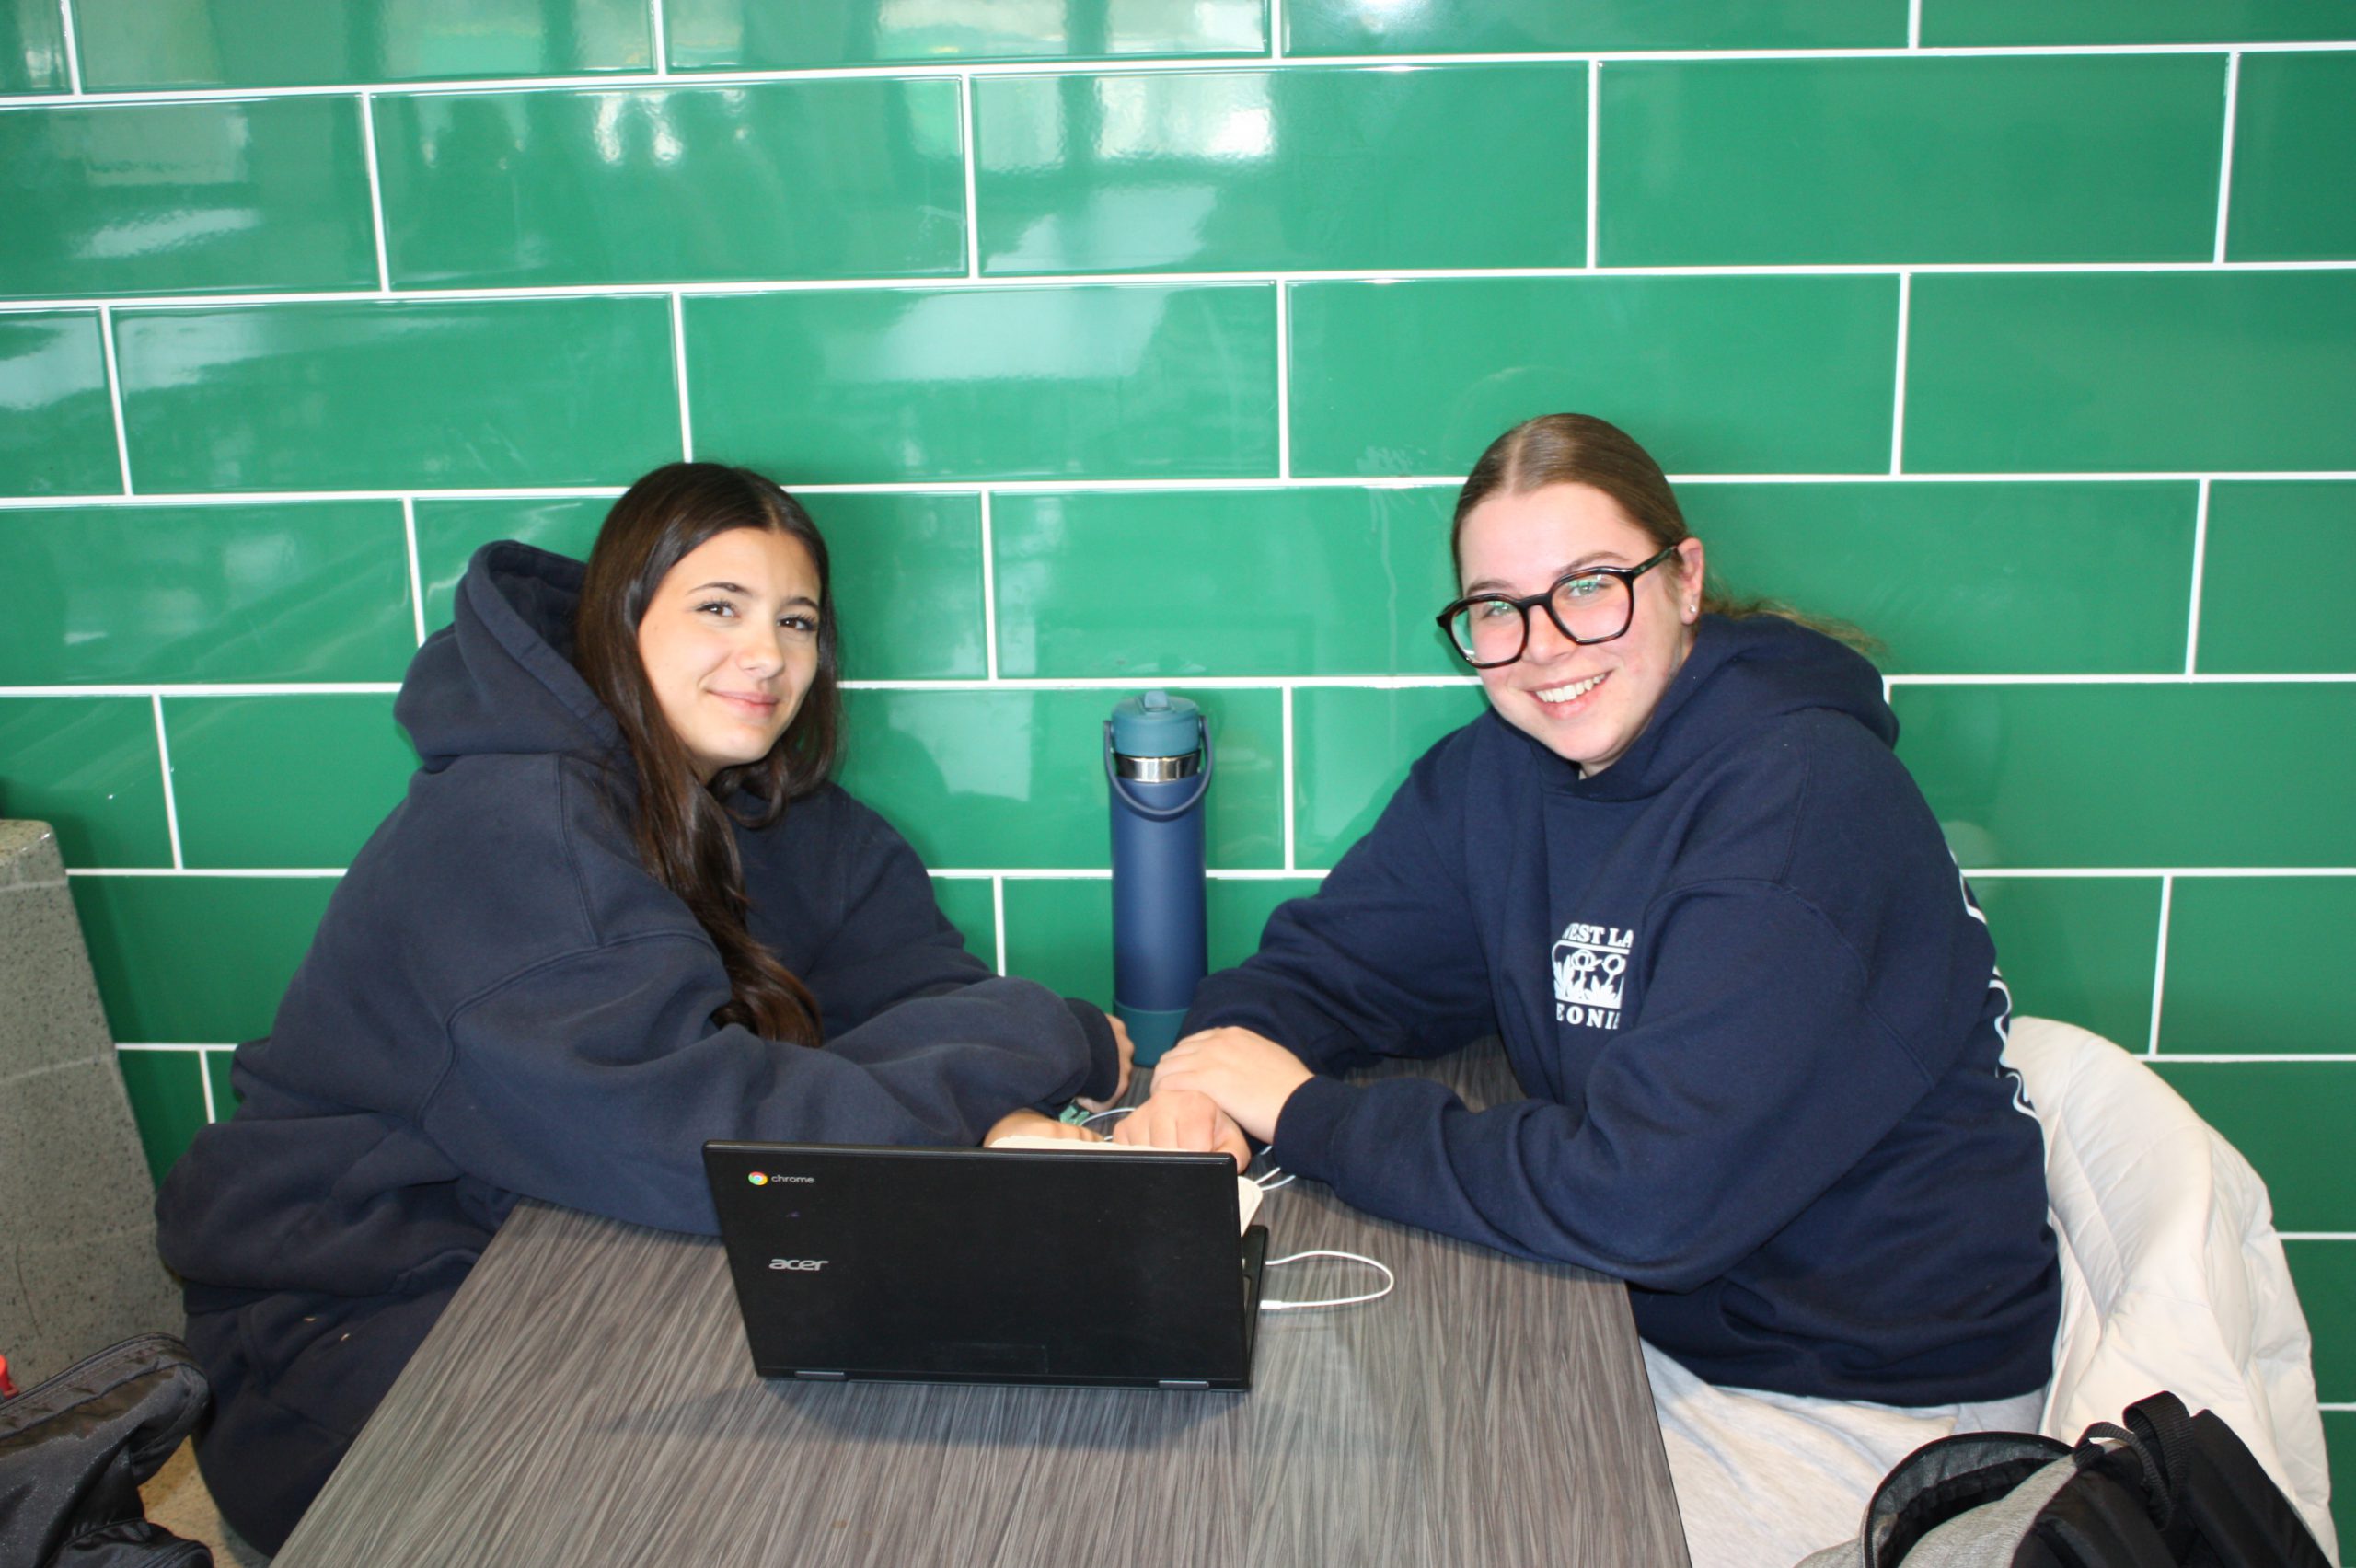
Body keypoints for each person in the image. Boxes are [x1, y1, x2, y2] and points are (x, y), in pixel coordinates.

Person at [1118, 413, 2060, 1566]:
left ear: (1684, 580)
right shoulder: (1507, 770)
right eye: (1498, 608)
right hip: (1645, 1330)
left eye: (1590, 586)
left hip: (1861, 1403)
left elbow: (1643, 1200)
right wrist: (1217, 1069)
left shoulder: (1803, 803)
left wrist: (1308, 1116)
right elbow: (1341, 964)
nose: (1545, 645)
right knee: (1277, 1494)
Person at [154, 463, 1126, 1552]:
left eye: (795, 622)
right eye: (720, 608)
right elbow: (708, 1141)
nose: (767, 656)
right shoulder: (514, 828)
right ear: (621, 622)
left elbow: (922, 992)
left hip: (579, 1250)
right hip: (352, 1337)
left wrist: (985, 1100)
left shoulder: (775, 817)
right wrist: (1057, 1036)